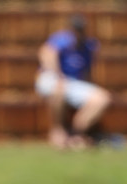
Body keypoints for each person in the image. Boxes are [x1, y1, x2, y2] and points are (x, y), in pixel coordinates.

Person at [35, 14, 111, 149]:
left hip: (73, 82)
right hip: (52, 77)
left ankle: (76, 134)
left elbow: (87, 72)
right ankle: (58, 132)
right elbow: (46, 54)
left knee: (102, 98)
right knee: (59, 89)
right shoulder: (61, 39)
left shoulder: (89, 45)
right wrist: (58, 76)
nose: (78, 32)